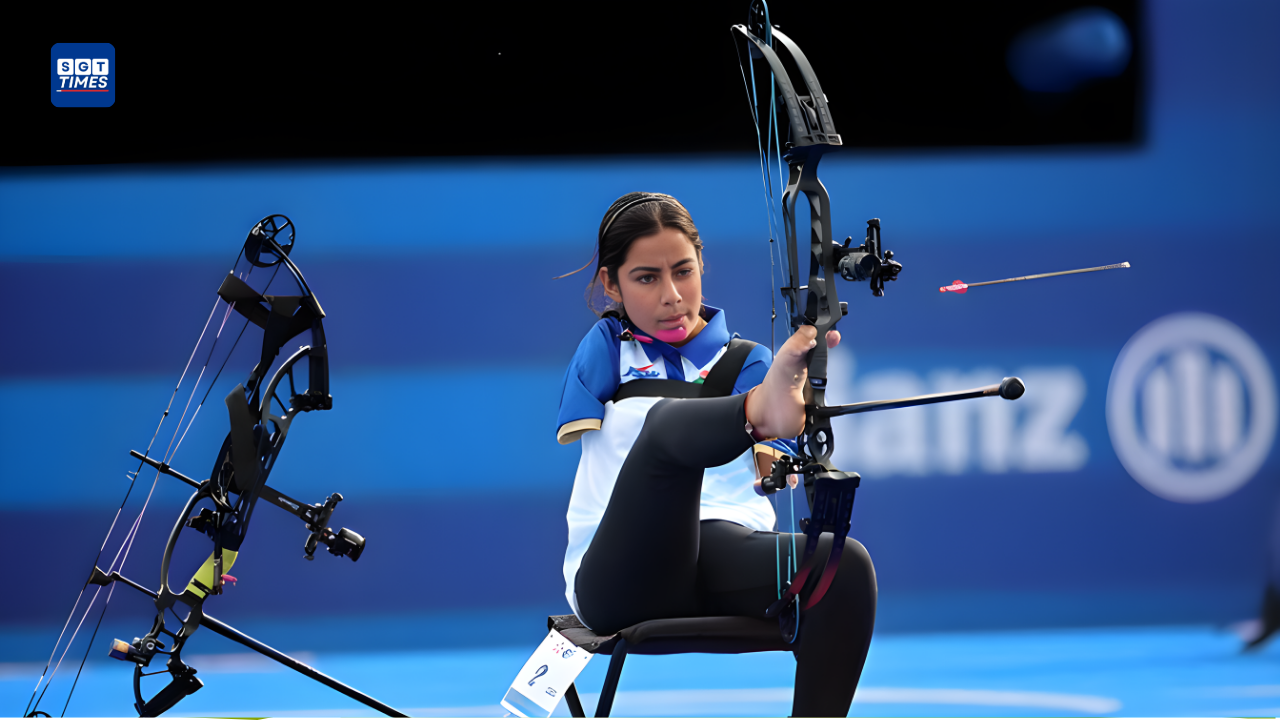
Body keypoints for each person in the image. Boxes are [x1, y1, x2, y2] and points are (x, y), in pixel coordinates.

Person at [555, 192, 877, 716]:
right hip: (619, 577)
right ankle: (757, 413)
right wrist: (762, 412)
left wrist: (779, 426)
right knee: (663, 430)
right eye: (646, 278)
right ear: (611, 283)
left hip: (721, 556)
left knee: (843, 565)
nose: (672, 296)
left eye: (684, 271)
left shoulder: (751, 360)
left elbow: (771, 467)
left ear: (703, 263)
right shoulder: (608, 348)